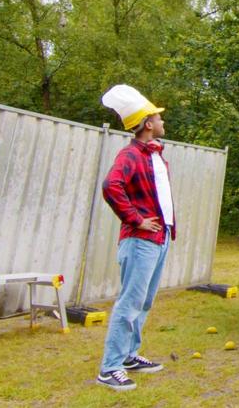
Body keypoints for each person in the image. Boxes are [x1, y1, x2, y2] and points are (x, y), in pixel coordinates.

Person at [96, 84, 176, 391]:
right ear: (147, 124)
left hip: (160, 239)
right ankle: (110, 367)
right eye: (158, 118)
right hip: (140, 241)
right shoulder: (130, 154)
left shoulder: (156, 156)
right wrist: (137, 219)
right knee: (129, 303)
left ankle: (129, 355)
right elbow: (110, 186)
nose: (163, 122)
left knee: (143, 302)